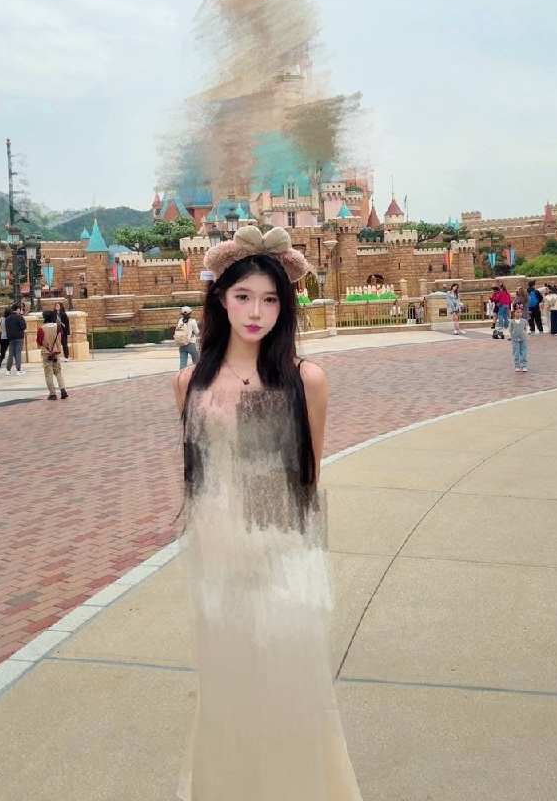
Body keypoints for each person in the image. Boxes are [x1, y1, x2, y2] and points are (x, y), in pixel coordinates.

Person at [173, 225, 362, 801]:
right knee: (228, 692)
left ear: (286, 305)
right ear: (221, 299)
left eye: (271, 299)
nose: (257, 312)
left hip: (284, 556)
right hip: (217, 561)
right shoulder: (190, 384)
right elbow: (200, 477)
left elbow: (308, 477)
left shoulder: (306, 380)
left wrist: (288, 556)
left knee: (291, 689)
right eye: (244, 296)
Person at [36, 310, 69, 400]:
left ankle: (52, 394)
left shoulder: (41, 328)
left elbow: (39, 341)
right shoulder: (57, 327)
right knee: (58, 372)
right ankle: (63, 390)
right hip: (56, 352)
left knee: (48, 374)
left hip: (46, 353)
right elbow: (60, 338)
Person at [174, 306, 200, 370]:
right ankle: (197, 374)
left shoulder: (180, 321)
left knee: (183, 364)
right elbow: (197, 332)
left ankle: (181, 375)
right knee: (196, 362)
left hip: (182, 344)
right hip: (191, 343)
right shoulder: (193, 321)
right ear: (190, 313)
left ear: (182, 314)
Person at [4, 303, 26, 375]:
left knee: (11, 354)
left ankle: (8, 370)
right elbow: (24, 327)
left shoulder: (7, 319)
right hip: (19, 337)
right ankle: (18, 370)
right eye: (20, 309)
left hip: (11, 338)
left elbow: (6, 329)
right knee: (18, 353)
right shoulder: (19, 317)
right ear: (18, 309)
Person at [509, 303, 529, 372]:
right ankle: (517, 365)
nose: (519, 314)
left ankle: (524, 366)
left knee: (524, 352)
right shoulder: (512, 322)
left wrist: (525, 334)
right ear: (514, 313)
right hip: (515, 339)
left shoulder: (524, 321)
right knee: (516, 352)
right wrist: (511, 336)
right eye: (517, 312)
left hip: (523, 339)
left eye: (520, 312)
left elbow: (525, 329)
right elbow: (510, 330)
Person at [0, 308, 11, 374]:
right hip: (9, 338)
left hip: (2, 338)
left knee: (2, 354)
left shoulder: (1, 319)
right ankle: (9, 369)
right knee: (12, 353)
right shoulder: (9, 319)